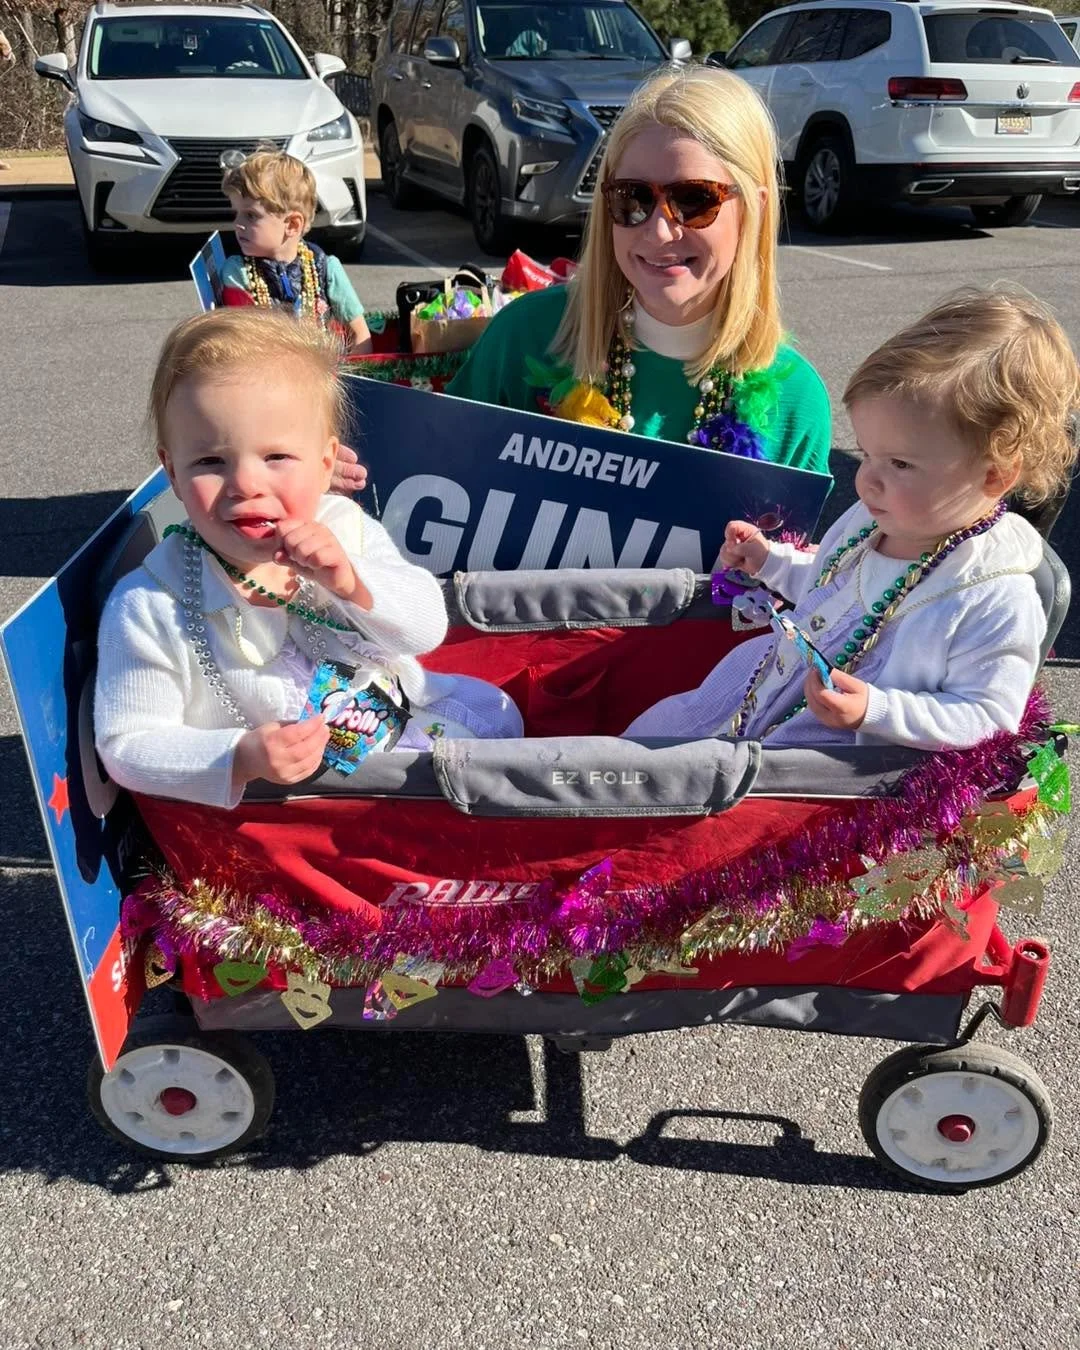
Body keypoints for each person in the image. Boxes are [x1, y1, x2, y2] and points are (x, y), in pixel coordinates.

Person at [95, 309, 521, 809]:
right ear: (172, 472)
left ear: (324, 464)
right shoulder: (152, 602)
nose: (245, 486)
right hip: (301, 801)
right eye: (210, 462)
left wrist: (352, 582)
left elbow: (426, 627)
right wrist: (240, 756)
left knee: (498, 715)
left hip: (393, 717)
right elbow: (126, 744)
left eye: (275, 457)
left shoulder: (343, 526)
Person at [624, 286, 1079, 750]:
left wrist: (876, 710)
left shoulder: (994, 595)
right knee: (645, 742)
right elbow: (831, 589)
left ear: (996, 475)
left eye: (900, 464)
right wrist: (770, 562)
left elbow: (988, 717)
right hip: (753, 691)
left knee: (673, 789)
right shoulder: (874, 518)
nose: (866, 480)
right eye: (865, 453)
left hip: (819, 762)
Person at [447, 66, 830, 474]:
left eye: (695, 199)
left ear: (757, 208)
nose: (660, 231)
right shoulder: (525, 336)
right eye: (633, 197)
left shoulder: (795, 402)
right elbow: (431, 468)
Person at [220, 146, 373, 354]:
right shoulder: (238, 273)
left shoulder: (326, 269)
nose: (237, 224)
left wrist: (349, 382)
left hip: (323, 376)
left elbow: (360, 335)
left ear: (292, 224)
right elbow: (242, 341)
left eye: (251, 216)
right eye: (236, 213)